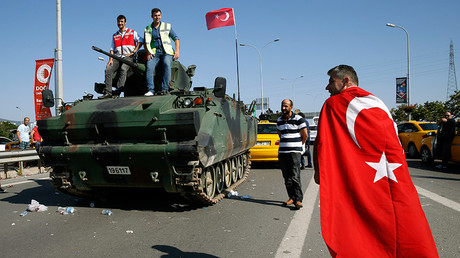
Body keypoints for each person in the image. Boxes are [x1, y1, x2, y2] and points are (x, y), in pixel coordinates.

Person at [313, 65, 438, 257]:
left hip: (363, 175)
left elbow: (322, 143)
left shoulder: (334, 105)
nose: (327, 87)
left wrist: (320, 172)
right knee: (400, 215)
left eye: (331, 81)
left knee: (358, 217)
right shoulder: (376, 102)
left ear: (346, 80)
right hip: (392, 172)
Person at [100, 15, 142, 99]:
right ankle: (108, 92)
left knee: (123, 69)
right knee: (108, 70)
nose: (120, 23)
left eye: (122, 21)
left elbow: (141, 41)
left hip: (129, 57)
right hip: (117, 57)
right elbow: (112, 49)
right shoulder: (115, 35)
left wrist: (133, 51)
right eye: (119, 22)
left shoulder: (132, 32)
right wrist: (110, 59)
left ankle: (118, 92)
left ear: (125, 22)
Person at [277, 99, 308, 209]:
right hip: (283, 152)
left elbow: (305, 135)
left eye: (286, 106)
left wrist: (298, 146)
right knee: (286, 177)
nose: (283, 108)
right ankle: (291, 197)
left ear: (291, 107)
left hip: (295, 152)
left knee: (295, 176)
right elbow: (280, 135)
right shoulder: (279, 120)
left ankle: (298, 199)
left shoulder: (299, 119)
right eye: (282, 106)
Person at [144, 8, 180, 96]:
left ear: (161, 16)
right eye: (155, 15)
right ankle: (151, 90)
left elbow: (176, 38)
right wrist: (148, 52)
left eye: (159, 15)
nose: (157, 17)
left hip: (166, 52)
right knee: (149, 67)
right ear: (152, 16)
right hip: (154, 52)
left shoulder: (167, 26)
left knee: (166, 64)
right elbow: (146, 42)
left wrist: (177, 51)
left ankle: (165, 89)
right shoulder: (148, 28)